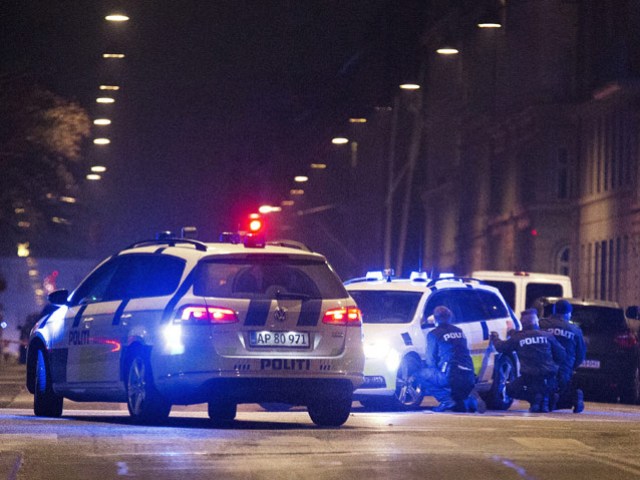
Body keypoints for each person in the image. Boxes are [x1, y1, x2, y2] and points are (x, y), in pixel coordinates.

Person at [490, 309, 566, 412]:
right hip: (549, 377)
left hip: (529, 377)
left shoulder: (519, 337)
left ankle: (534, 399)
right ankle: (545, 400)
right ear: (536, 322)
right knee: (549, 390)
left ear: (523, 323)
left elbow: (501, 347)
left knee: (509, 390)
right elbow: (561, 355)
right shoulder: (547, 336)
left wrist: (495, 338)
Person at [420, 306, 485, 413]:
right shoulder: (459, 331)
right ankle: (470, 399)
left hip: (451, 375)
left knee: (420, 374)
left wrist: (433, 370)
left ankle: (446, 401)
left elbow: (430, 359)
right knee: (459, 405)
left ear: (435, 319)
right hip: (469, 375)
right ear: (450, 318)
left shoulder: (433, 334)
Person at [540, 300, 586, 413]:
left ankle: (548, 399)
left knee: (541, 390)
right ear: (568, 313)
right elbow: (580, 354)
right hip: (564, 369)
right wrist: (571, 367)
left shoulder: (542, 324)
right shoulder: (575, 330)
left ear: (554, 310)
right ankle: (574, 397)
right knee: (563, 386)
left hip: (544, 367)